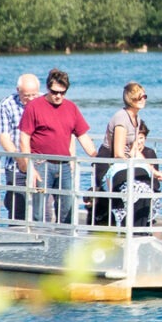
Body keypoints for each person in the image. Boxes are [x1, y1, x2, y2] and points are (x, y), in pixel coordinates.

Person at [18, 69, 96, 226]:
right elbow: (24, 138)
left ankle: (64, 245)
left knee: (67, 208)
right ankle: (38, 242)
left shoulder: (71, 108)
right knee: (38, 211)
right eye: (55, 92)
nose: (58, 96)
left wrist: (97, 157)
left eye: (63, 92)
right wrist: (29, 166)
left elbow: (83, 136)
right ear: (47, 88)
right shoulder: (34, 107)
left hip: (64, 165)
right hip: (41, 164)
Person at [96, 82, 162, 229]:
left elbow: (135, 151)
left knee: (147, 184)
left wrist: (153, 171)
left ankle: (140, 230)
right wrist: (135, 165)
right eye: (140, 97)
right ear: (131, 99)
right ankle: (128, 228)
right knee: (135, 185)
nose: (143, 99)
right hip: (111, 165)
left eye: (145, 96)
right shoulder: (121, 118)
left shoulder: (137, 120)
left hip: (127, 164)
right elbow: (118, 154)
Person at [0, 73, 41, 221]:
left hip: (41, 164)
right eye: (27, 95)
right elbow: (4, 137)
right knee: (17, 209)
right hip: (16, 165)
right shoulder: (6, 104)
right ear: (18, 90)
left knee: (42, 210)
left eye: (34, 94)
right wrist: (20, 158)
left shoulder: (44, 102)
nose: (31, 99)